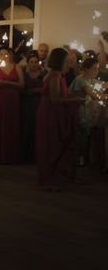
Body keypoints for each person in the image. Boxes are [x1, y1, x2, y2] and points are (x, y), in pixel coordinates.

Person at [36, 48, 83, 191]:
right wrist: (76, 99)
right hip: (50, 115)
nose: (68, 62)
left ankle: (56, 177)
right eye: (66, 60)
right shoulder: (55, 76)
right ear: (60, 60)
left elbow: (64, 94)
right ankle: (48, 181)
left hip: (54, 113)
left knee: (56, 146)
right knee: (51, 146)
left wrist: (73, 98)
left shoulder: (59, 76)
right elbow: (56, 99)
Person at [0, 46, 24, 164]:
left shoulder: (17, 67)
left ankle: (9, 156)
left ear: (11, 55)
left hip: (12, 101)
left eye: (6, 54)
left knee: (10, 125)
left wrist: (7, 83)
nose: (4, 56)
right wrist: (1, 83)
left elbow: (22, 85)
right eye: (1, 54)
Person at [20, 51, 45, 163]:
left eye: (36, 62)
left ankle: (36, 156)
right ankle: (25, 156)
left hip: (39, 104)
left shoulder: (44, 75)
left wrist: (36, 91)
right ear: (28, 63)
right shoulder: (24, 75)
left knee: (38, 129)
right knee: (26, 129)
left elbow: (46, 90)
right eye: (32, 62)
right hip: (27, 104)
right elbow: (21, 90)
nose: (34, 64)